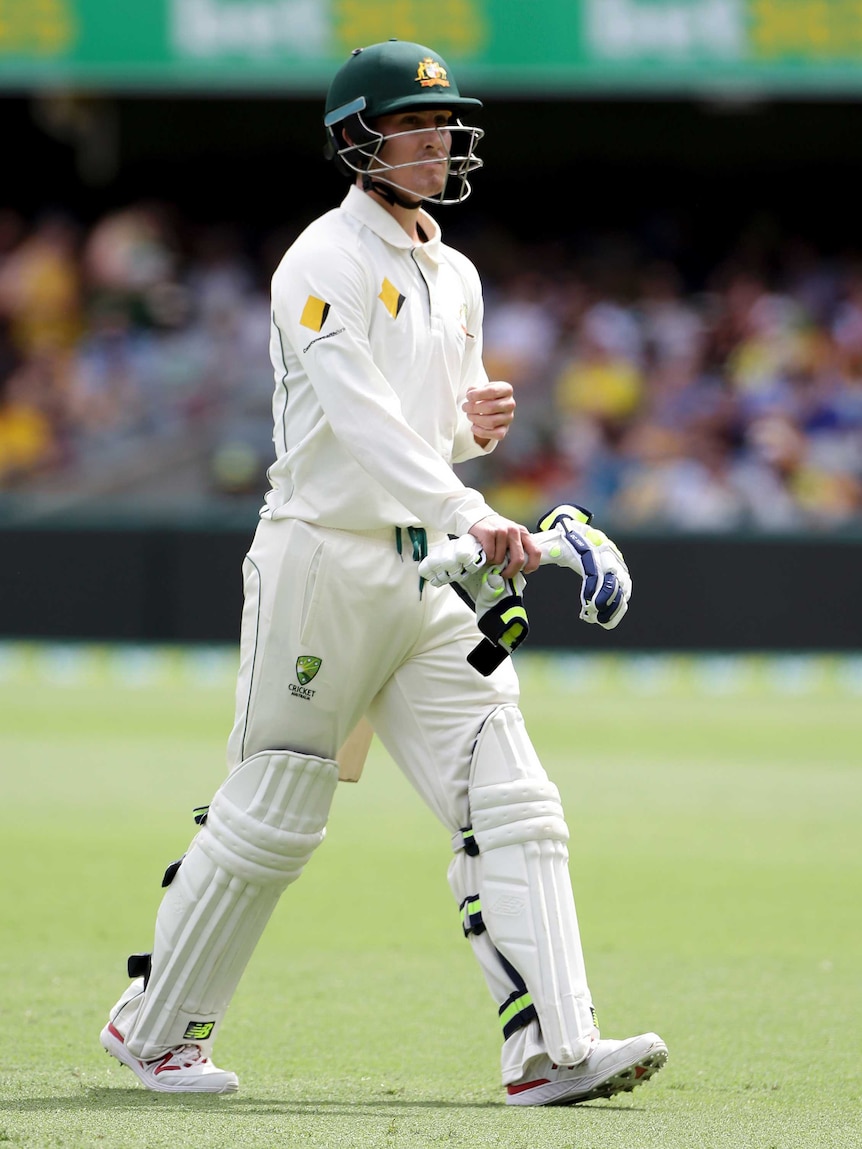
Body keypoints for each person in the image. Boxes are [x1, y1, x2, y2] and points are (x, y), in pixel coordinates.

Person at [99, 38, 668, 1105]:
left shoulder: (453, 271)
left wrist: (472, 433)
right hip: (322, 559)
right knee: (275, 813)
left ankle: (551, 1048)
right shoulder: (318, 262)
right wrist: (469, 502)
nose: (435, 139)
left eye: (443, 123)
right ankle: (153, 1030)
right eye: (412, 125)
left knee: (515, 802)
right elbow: (356, 427)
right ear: (357, 140)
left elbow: (424, 434)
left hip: (432, 571)